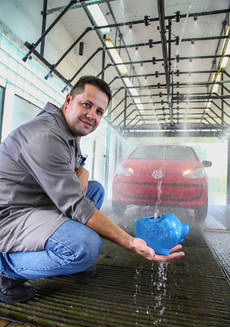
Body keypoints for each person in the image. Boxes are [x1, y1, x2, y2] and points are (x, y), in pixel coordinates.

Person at [0, 75, 184, 303]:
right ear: (68, 100)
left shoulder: (67, 129)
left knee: (94, 189)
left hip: (37, 204)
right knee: (85, 246)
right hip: (9, 216)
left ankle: (62, 259)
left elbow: (79, 167)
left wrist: (82, 172)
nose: (92, 115)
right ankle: (6, 268)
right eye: (86, 104)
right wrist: (130, 241)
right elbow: (79, 207)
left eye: (99, 111)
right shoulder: (45, 136)